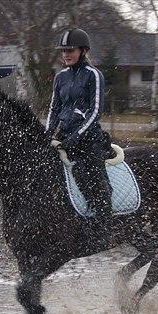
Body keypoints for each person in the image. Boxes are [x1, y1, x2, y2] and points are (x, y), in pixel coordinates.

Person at [46, 28, 114, 225]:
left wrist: (77, 135)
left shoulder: (93, 75)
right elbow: (54, 108)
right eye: (63, 51)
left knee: (94, 178)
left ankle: (105, 223)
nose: (66, 54)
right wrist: (48, 133)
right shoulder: (60, 77)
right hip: (64, 137)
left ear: (83, 51)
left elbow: (96, 111)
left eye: (70, 50)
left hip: (89, 137)